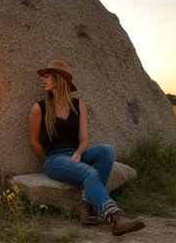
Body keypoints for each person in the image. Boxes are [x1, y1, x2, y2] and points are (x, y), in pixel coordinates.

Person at [28, 60, 146, 236]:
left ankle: (84, 207)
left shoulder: (78, 105)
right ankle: (115, 216)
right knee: (89, 172)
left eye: (47, 75)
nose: (43, 79)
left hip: (76, 155)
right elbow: (35, 141)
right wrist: (47, 161)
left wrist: (77, 154)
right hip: (55, 159)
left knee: (107, 150)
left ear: (59, 79)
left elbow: (84, 139)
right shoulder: (40, 108)